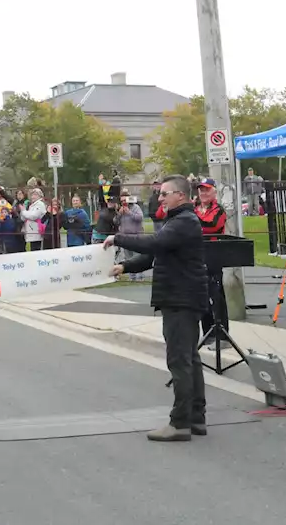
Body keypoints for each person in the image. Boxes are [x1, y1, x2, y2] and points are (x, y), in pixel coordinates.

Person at [105, 176, 209, 442]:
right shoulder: (177, 222)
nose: (160, 198)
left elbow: (153, 244)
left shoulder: (184, 222)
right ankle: (196, 418)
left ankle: (180, 423)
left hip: (181, 298)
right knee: (190, 359)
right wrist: (126, 267)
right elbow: (154, 255)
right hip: (182, 297)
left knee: (180, 361)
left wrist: (118, 238)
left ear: (181, 196)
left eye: (164, 194)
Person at [194, 178, 228, 336]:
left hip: (213, 256)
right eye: (201, 189)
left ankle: (222, 333)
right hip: (195, 255)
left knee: (216, 294)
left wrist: (192, 222)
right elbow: (162, 214)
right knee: (200, 295)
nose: (203, 192)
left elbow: (212, 226)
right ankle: (207, 332)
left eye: (207, 189)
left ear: (214, 191)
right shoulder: (193, 209)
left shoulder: (218, 210)